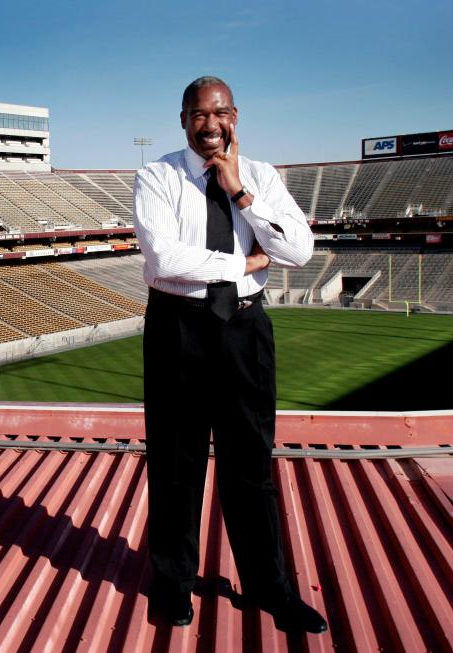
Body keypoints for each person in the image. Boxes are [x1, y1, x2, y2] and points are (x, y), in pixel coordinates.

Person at [134, 76, 327, 634]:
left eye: (219, 114)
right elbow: (163, 257)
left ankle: (271, 589)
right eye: (198, 115)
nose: (210, 125)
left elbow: (298, 251)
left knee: (251, 467)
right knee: (175, 466)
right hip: (178, 328)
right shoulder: (157, 174)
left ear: (235, 116)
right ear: (183, 120)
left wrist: (241, 191)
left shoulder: (263, 176)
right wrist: (242, 265)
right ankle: (172, 586)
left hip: (244, 331)